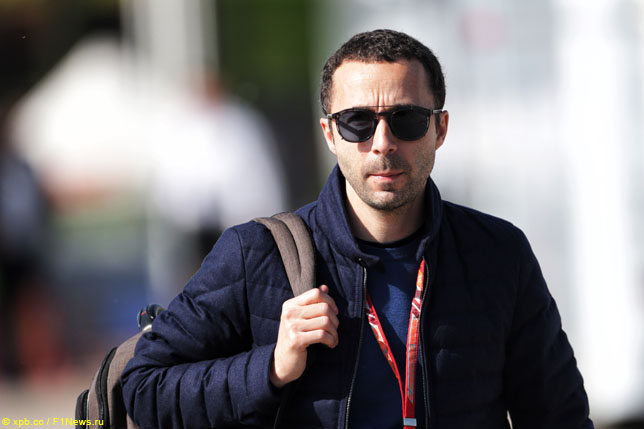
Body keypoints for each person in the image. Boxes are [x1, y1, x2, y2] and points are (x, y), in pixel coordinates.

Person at [122, 29, 593, 428]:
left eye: (407, 120)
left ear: (440, 129)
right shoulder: (256, 254)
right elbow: (142, 389)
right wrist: (272, 366)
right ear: (330, 134)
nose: (382, 143)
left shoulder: (497, 253)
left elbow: (559, 415)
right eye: (357, 122)